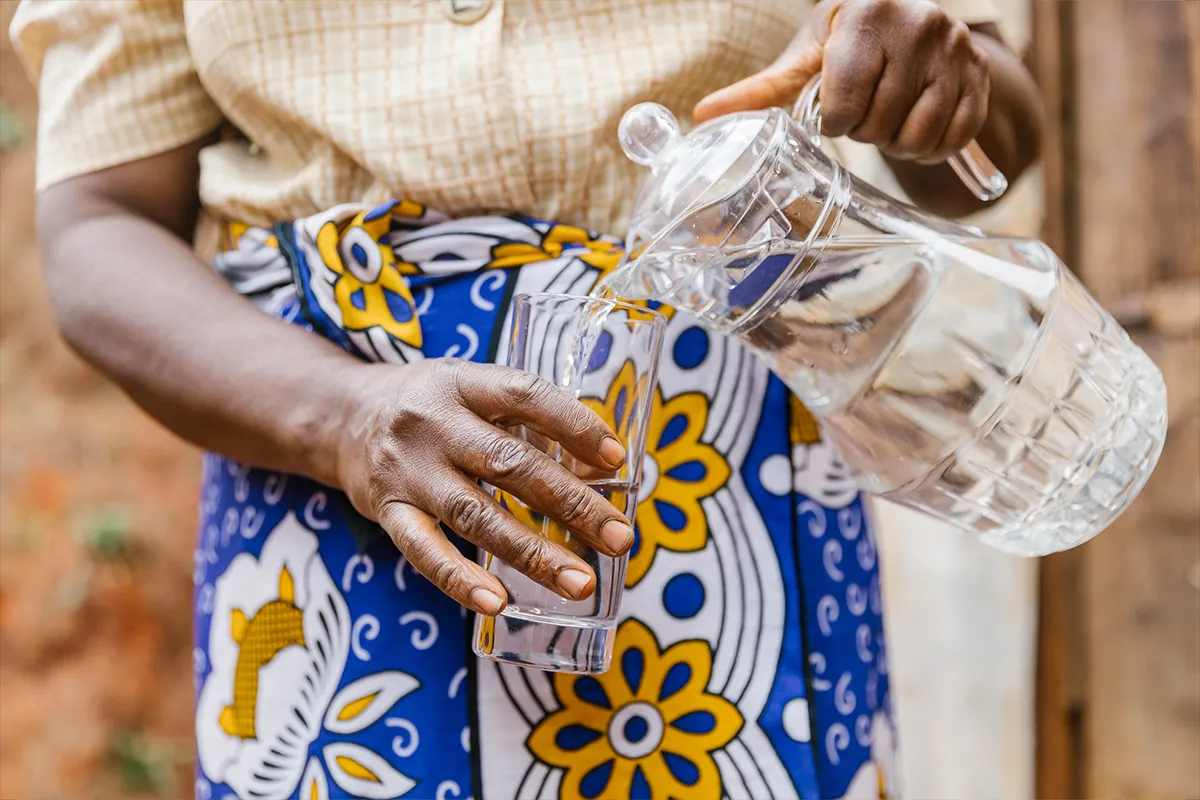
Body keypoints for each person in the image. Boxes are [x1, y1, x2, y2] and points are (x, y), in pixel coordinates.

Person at [10, 0, 1042, 797]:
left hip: (733, 505)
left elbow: (998, 128)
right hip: (331, 510)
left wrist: (941, 78)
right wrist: (345, 417)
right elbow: (98, 225)